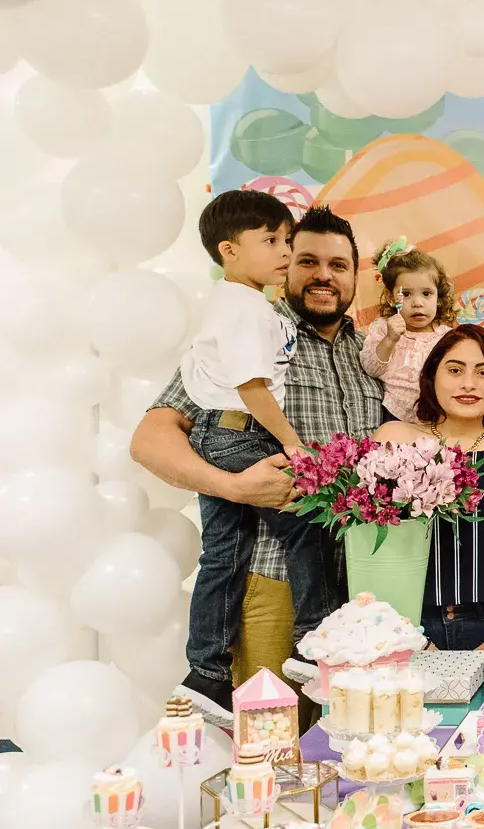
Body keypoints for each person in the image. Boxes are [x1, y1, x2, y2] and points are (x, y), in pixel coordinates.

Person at [131, 205, 384, 723]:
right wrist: (233, 487)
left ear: (355, 275)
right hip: (274, 580)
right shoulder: (248, 330)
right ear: (285, 264)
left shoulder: (375, 357)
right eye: (307, 260)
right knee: (273, 744)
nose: (323, 275)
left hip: (366, 582)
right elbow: (149, 440)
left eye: (338, 265)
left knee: (367, 740)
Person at [175, 189, 346, 719]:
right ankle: (313, 642)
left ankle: (204, 673)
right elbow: (251, 388)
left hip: (221, 431)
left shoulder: (242, 306)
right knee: (307, 521)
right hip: (239, 434)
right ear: (229, 251)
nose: (285, 253)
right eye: (273, 242)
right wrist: (291, 445)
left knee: (221, 552)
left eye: (285, 241)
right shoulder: (245, 309)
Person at [375, 325, 484, 681]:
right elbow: (370, 553)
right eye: (455, 370)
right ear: (432, 377)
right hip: (406, 628)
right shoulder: (395, 440)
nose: (469, 383)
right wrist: (411, 641)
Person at [359, 238, 454, 422]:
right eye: (406, 294)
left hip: (436, 415)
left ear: (438, 298)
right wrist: (390, 339)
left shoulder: (446, 337)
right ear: (391, 298)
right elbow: (371, 369)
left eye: (426, 294)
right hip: (394, 412)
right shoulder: (384, 327)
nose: (417, 303)